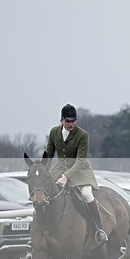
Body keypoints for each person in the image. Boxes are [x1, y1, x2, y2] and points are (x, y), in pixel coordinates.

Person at [44, 104, 108, 243]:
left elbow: (80, 160)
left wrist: (66, 177)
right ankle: (39, 229)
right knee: (43, 193)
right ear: (61, 120)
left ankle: (99, 229)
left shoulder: (83, 135)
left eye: (73, 121)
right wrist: (44, 169)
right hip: (60, 168)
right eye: (67, 121)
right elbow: (49, 154)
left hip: (80, 169)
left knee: (86, 194)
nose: (70, 124)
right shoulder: (54, 132)